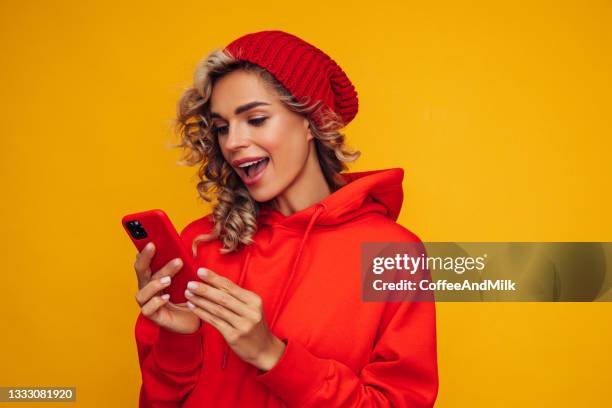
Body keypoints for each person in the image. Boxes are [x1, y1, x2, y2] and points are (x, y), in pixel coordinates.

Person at [133, 30, 438, 407]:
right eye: (222, 127)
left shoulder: (392, 254)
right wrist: (177, 340)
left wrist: (272, 356)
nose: (232, 142)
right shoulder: (202, 243)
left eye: (256, 119)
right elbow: (159, 401)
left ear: (311, 120)